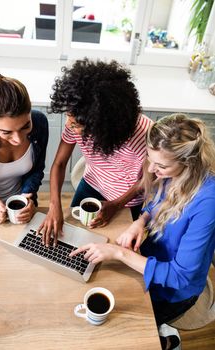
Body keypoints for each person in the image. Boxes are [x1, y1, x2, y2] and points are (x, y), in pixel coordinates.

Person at [70, 113, 215, 349]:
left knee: (129, 330)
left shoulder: (208, 201)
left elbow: (180, 276)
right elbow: (156, 201)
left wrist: (120, 254)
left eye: (162, 166)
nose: (152, 170)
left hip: (174, 290)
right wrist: (142, 220)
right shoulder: (171, 173)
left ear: (189, 163)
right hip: (149, 260)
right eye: (150, 160)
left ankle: (167, 340)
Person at [38, 58, 152, 246]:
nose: (68, 125)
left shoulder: (144, 134)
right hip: (91, 184)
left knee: (110, 248)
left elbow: (149, 178)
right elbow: (59, 163)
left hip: (126, 200)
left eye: (75, 124)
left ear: (101, 124)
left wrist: (117, 204)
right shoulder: (76, 118)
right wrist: (54, 205)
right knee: (71, 241)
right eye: (68, 117)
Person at [0, 68, 49, 224]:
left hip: (23, 207)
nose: (18, 139)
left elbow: (37, 170)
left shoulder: (39, 123)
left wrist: (27, 196)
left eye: (25, 126)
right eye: (6, 132)